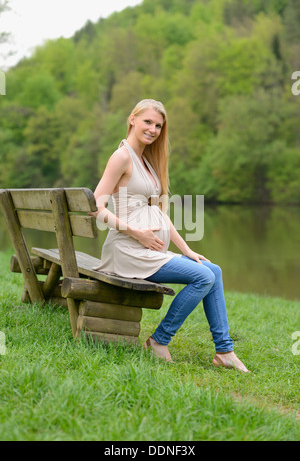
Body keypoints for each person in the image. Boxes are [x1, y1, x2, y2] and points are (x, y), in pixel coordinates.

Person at [92, 99, 249, 372]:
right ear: (132, 119)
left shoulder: (147, 162)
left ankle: (224, 351)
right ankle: (159, 341)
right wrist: (137, 234)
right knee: (203, 277)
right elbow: (96, 206)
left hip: (148, 251)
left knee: (214, 270)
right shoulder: (122, 157)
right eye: (148, 122)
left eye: (158, 125)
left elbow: (160, 214)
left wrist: (186, 250)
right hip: (128, 251)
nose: (153, 129)